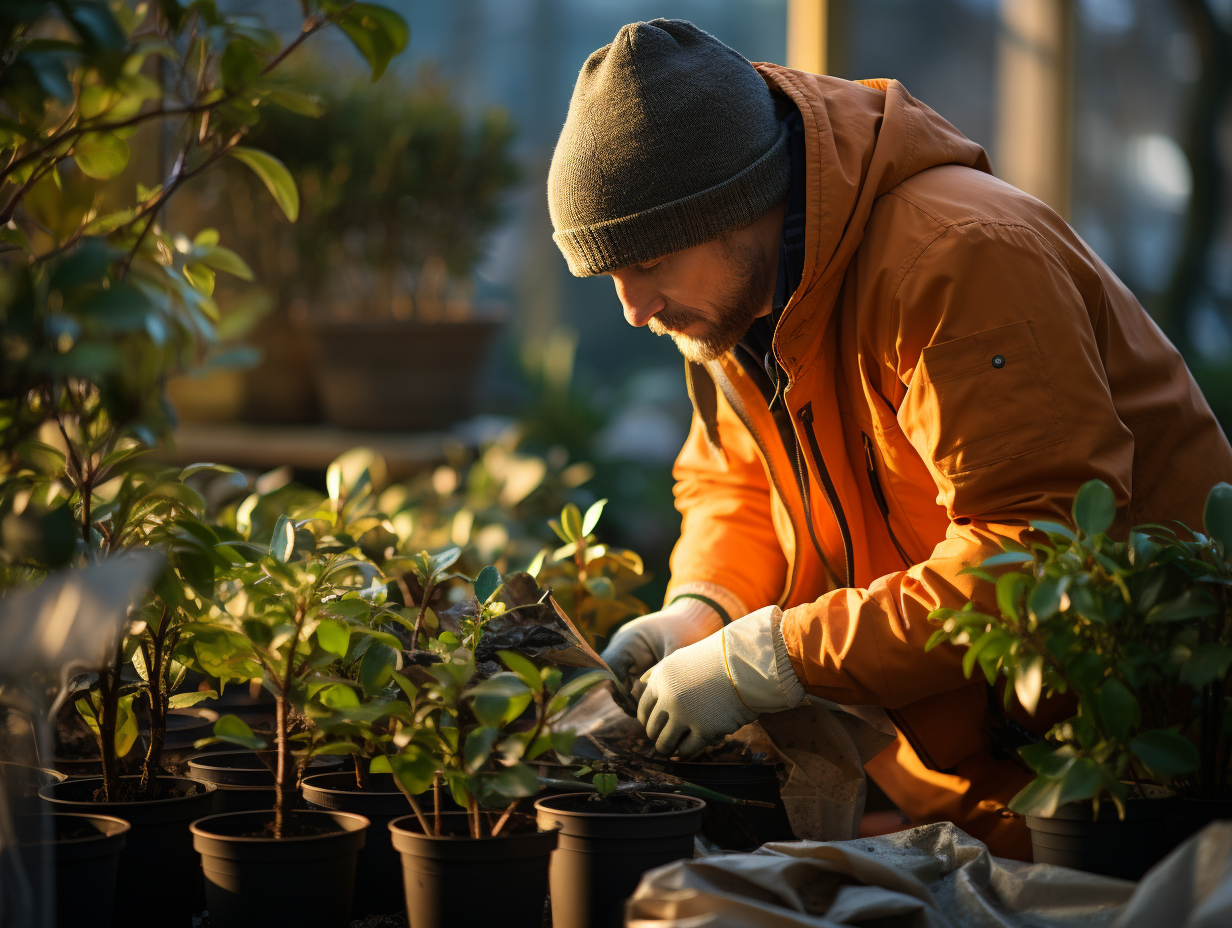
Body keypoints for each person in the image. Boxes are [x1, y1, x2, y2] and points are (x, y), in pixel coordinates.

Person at [545, 18, 1232, 858]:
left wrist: (768, 656)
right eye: (608, 274)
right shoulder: (732, 306)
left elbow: (1027, 559)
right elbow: (738, 486)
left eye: (646, 263)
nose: (633, 308)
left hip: (1124, 786)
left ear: (736, 204)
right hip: (960, 783)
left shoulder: (958, 261)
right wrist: (701, 611)